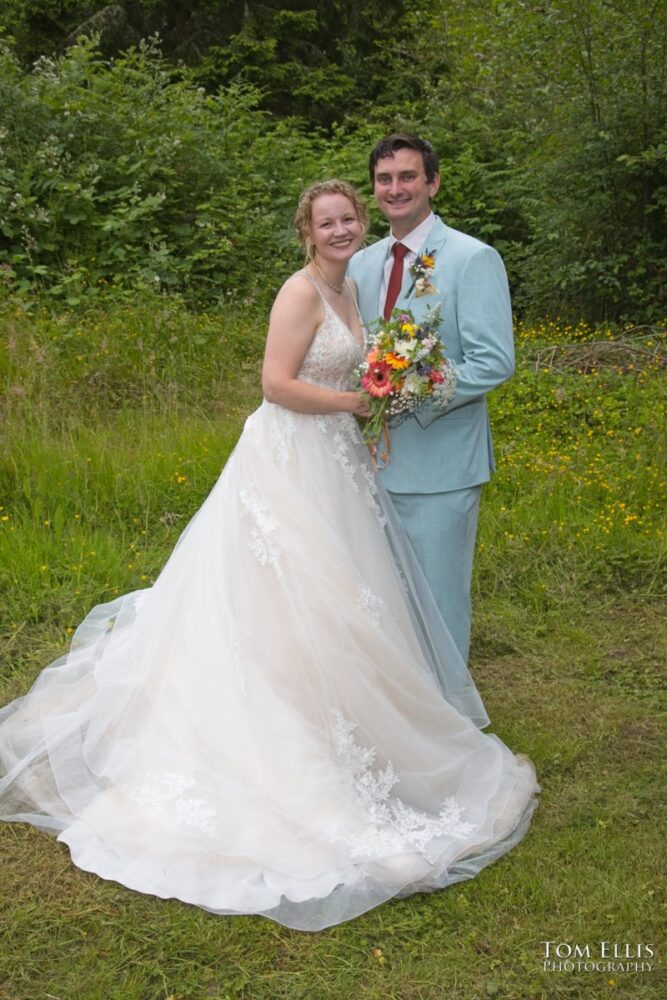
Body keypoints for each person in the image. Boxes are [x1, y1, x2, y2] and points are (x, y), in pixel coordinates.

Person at [0, 180, 537, 932]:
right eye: (329, 221)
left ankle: (345, 719)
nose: (344, 228)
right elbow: (276, 385)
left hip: (339, 467)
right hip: (288, 464)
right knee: (288, 596)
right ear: (307, 231)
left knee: (345, 600)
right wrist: (360, 403)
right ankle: (279, 736)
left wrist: (378, 396)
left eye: (351, 217)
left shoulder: (353, 290)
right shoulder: (300, 292)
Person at [349, 134, 515, 665]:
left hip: (441, 465)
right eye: (384, 179)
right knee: (382, 600)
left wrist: (410, 394)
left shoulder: (472, 258)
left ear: (432, 183)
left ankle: (450, 723)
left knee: (439, 604)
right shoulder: (361, 264)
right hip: (365, 464)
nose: (395, 189)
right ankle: (402, 716)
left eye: (407, 177)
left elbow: (493, 361)